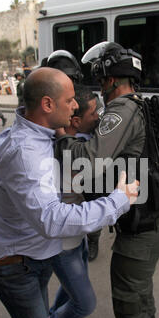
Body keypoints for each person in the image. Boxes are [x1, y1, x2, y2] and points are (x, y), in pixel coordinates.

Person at [0, 66, 139, 318]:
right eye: (69, 100)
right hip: (11, 263)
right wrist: (118, 200)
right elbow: (52, 219)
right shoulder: (27, 153)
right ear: (48, 104)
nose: (76, 106)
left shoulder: (40, 133)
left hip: (38, 254)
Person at [55, 42, 159, 318]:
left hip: (144, 223)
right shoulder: (144, 102)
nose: (98, 84)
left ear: (109, 78)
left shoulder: (120, 110)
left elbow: (90, 161)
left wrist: (63, 136)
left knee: (126, 301)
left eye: (99, 77)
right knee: (141, 293)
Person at [49, 84, 100, 318]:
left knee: (71, 290)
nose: (100, 117)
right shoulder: (60, 151)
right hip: (62, 241)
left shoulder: (79, 147)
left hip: (76, 236)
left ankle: (60, 316)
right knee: (85, 302)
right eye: (95, 112)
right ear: (76, 120)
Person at [45, 50, 102, 260]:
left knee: (88, 198)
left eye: (68, 79)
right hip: (56, 155)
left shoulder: (87, 97)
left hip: (80, 153)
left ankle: (93, 237)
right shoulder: (45, 96)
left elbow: (98, 124)